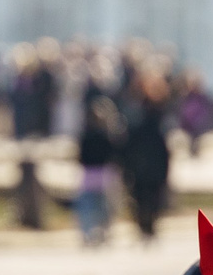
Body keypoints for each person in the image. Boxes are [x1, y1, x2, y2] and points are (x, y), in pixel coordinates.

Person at [119, 72, 173, 241]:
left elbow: (164, 139)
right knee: (141, 196)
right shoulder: (134, 111)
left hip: (153, 160)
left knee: (153, 196)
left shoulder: (160, 112)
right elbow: (128, 138)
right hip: (140, 160)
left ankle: (149, 225)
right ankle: (144, 226)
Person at [74, 91, 121, 248]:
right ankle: (99, 233)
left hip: (94, 174)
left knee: (94, 206)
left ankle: (94, 233)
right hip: (100, 173)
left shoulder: (92, 135)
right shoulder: (105, 135)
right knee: (100, 206)